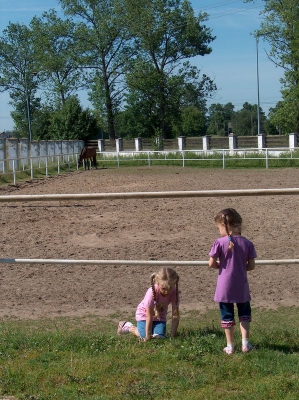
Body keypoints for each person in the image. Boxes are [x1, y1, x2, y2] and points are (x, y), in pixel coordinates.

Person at [208, 208, 257, 355]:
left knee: (227, 315)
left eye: (219, 228)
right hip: (241, 285)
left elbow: (211, 263)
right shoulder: (248, 243)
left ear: (224, 226)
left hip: (224, 288)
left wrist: (221, 266)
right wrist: (241, 268)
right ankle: (245, 343)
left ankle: (230, 346)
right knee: (244, 314)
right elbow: (252, 266)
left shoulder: (219, 242)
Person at [117, 267, 180, 341]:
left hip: (159, 317)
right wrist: (147, 336)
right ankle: (129, 327)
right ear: (158, 283)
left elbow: (175, 315)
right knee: (144, 336)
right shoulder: (151, 293)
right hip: (144, 316)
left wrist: (172, 336)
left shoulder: (174, 292)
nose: (167, 291)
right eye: (163, 288)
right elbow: (148, 316)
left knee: (159, 337)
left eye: (170, 288)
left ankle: (154, 332)